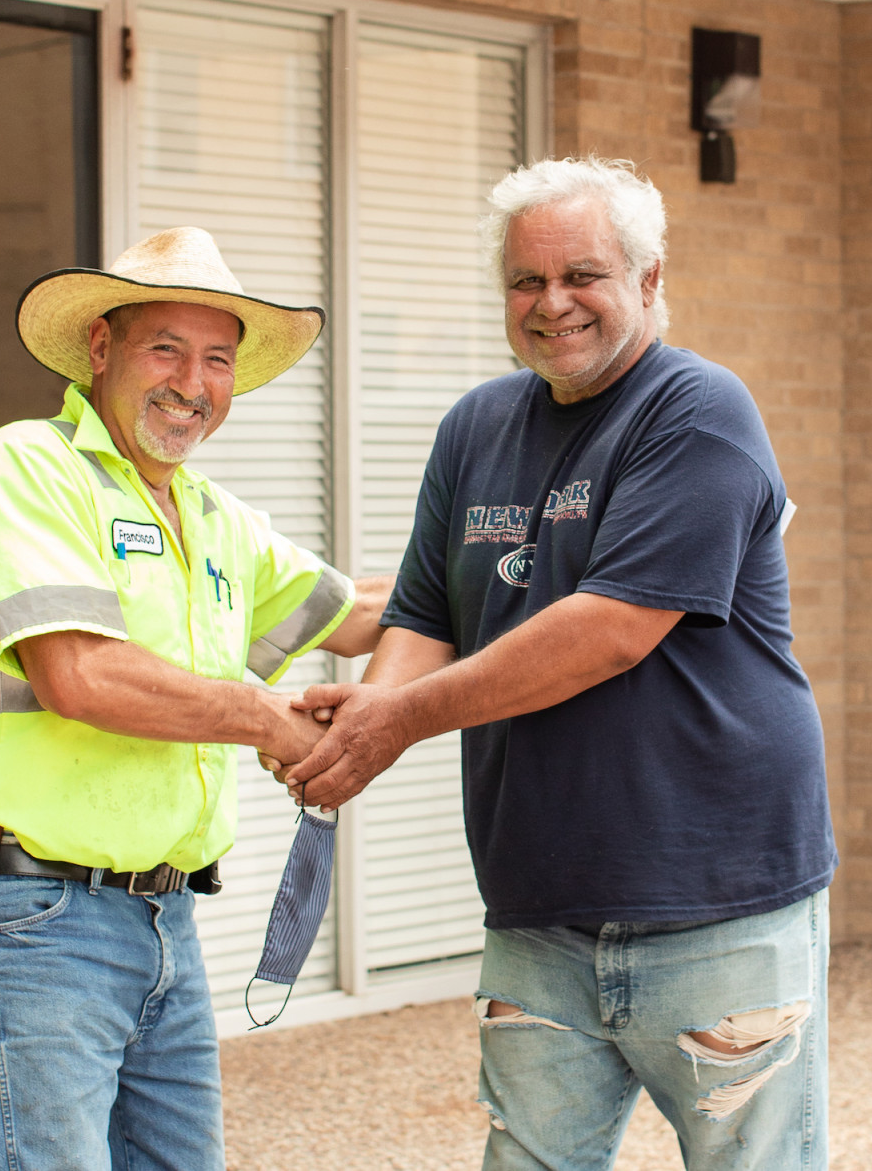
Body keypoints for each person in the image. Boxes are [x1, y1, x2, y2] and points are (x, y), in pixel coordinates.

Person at [281, 157, 835, 1170]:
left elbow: (608, 627)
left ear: (649, 280)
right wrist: (361, 727)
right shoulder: (474, 427)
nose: (552, 304)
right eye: (525, 282)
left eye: (581, 275)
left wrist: (394, 722)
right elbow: (423, 615)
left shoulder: (698, 411)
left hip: (713, 896)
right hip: (537, 897)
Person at [0, 226, 389, 1171]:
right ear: (101, 348)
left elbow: (362, 615)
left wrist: (515, 566)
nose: (193, 382)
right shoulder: (27, 469)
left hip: (165, 920)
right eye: (165, 348)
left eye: (217, 358)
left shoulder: (213, 518)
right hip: (40, 911)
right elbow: (82, 674)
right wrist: (267, 718)